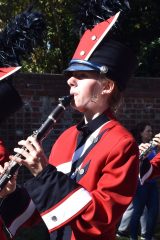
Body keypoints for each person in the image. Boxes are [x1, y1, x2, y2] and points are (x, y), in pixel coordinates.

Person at [0, 11, 139, 240]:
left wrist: (44, 174)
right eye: (71, 74)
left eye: (82, 75)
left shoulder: (122, 144)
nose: (70, 81)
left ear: (107, 86)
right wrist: (12, 193)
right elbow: (44, 211)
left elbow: (98, 220)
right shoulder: (66, 137)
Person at [128, 122, 160, 240]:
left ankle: (148, 237)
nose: (151, 133)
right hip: (140, 184)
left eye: (151, 131)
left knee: (153, 211)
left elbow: (154, 166)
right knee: (138, 211)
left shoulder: (153, 147)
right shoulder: (138, 146)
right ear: (141, 133)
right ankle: (133, 237)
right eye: (148, 131)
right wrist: (140, 156)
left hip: (152, 184)